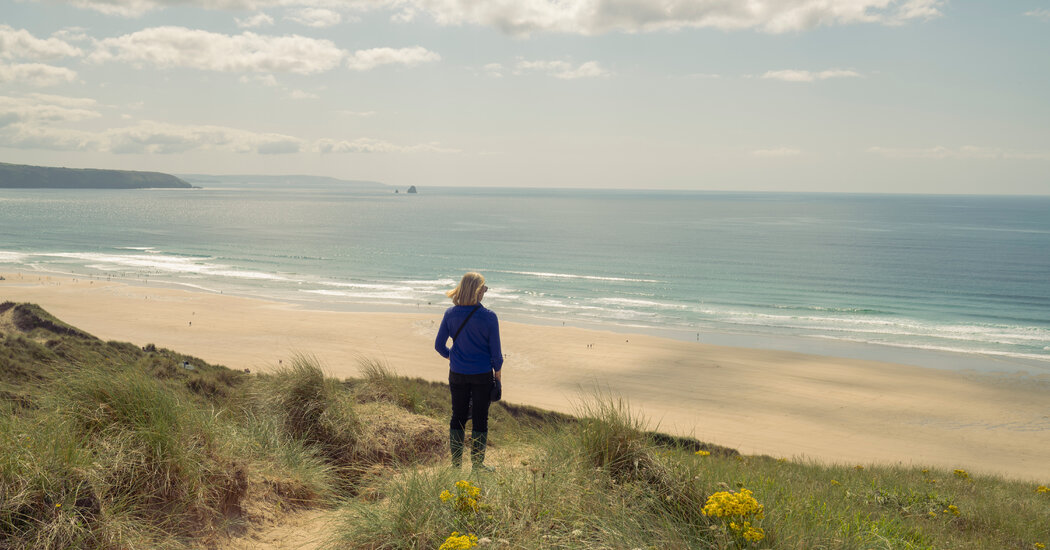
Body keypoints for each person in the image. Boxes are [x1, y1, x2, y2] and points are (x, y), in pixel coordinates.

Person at [435, 272, 503, 470]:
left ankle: (456, 465)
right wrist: (498, 377)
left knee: (458, 415)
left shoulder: (450, 314)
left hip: (457, 373)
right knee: (481, 418)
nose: (485, 291)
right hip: (482, 375)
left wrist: (453, 357)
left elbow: (439, 346)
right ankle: (477, 466)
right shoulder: (489, 317)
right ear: (477, 291)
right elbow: (496, 355)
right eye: (484, 288)